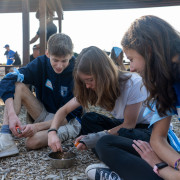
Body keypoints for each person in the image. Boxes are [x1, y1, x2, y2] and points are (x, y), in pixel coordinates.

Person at [86, 15, 180, 180]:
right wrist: (173, 164)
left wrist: (160, 166)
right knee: (105, 143)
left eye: (131, 59)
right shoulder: (164, 83)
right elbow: (158, 139)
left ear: (148, 49)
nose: (132, 68)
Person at [48, 46, 153, 154]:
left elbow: (129, 125)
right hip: (122, 125)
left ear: (104, 74)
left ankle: (106, 148)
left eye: (90, 80)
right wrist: (52, 132)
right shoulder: (90, 88)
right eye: (84, 81)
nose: (87, 86)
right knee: (88, 119)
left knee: (109, 140)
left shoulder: (133, 83)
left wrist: (96, 137)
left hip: (145, 129)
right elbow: (64, 110)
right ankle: (107, 148)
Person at [0, 33, 82, 158]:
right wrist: (11, 114)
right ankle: (5, 137)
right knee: (18, 86)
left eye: (64, 61)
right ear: (48, 53)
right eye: (55, 60)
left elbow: (68, 115)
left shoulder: (77, 71)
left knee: (31, 143)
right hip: (45, 113)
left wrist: (36, 127)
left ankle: (41, 131)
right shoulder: (40, 63)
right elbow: (7, 80)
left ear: (71, 56)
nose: (59, 66)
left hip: (67, 121)